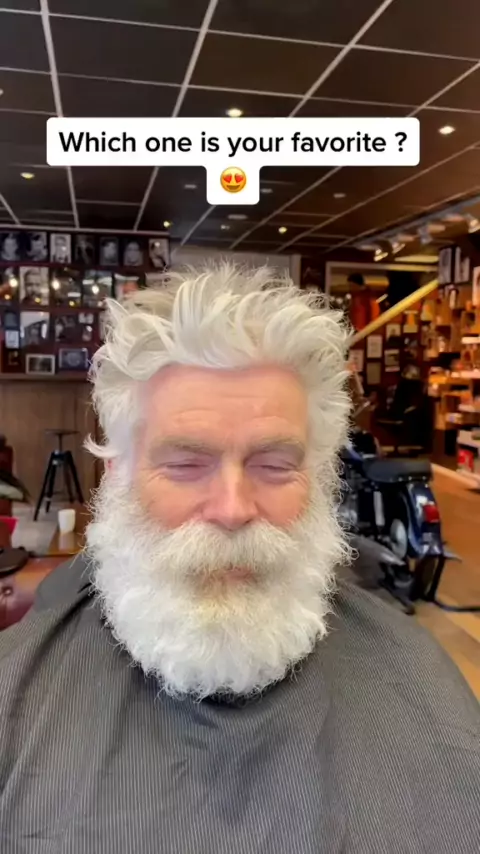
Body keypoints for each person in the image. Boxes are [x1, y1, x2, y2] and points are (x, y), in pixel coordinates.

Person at [0, 266, 478, 853]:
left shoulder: (422, 689)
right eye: (185, 464)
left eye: (274, 466)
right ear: (117, 473)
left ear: (320, 477)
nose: (232, 509)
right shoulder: (16, 698)